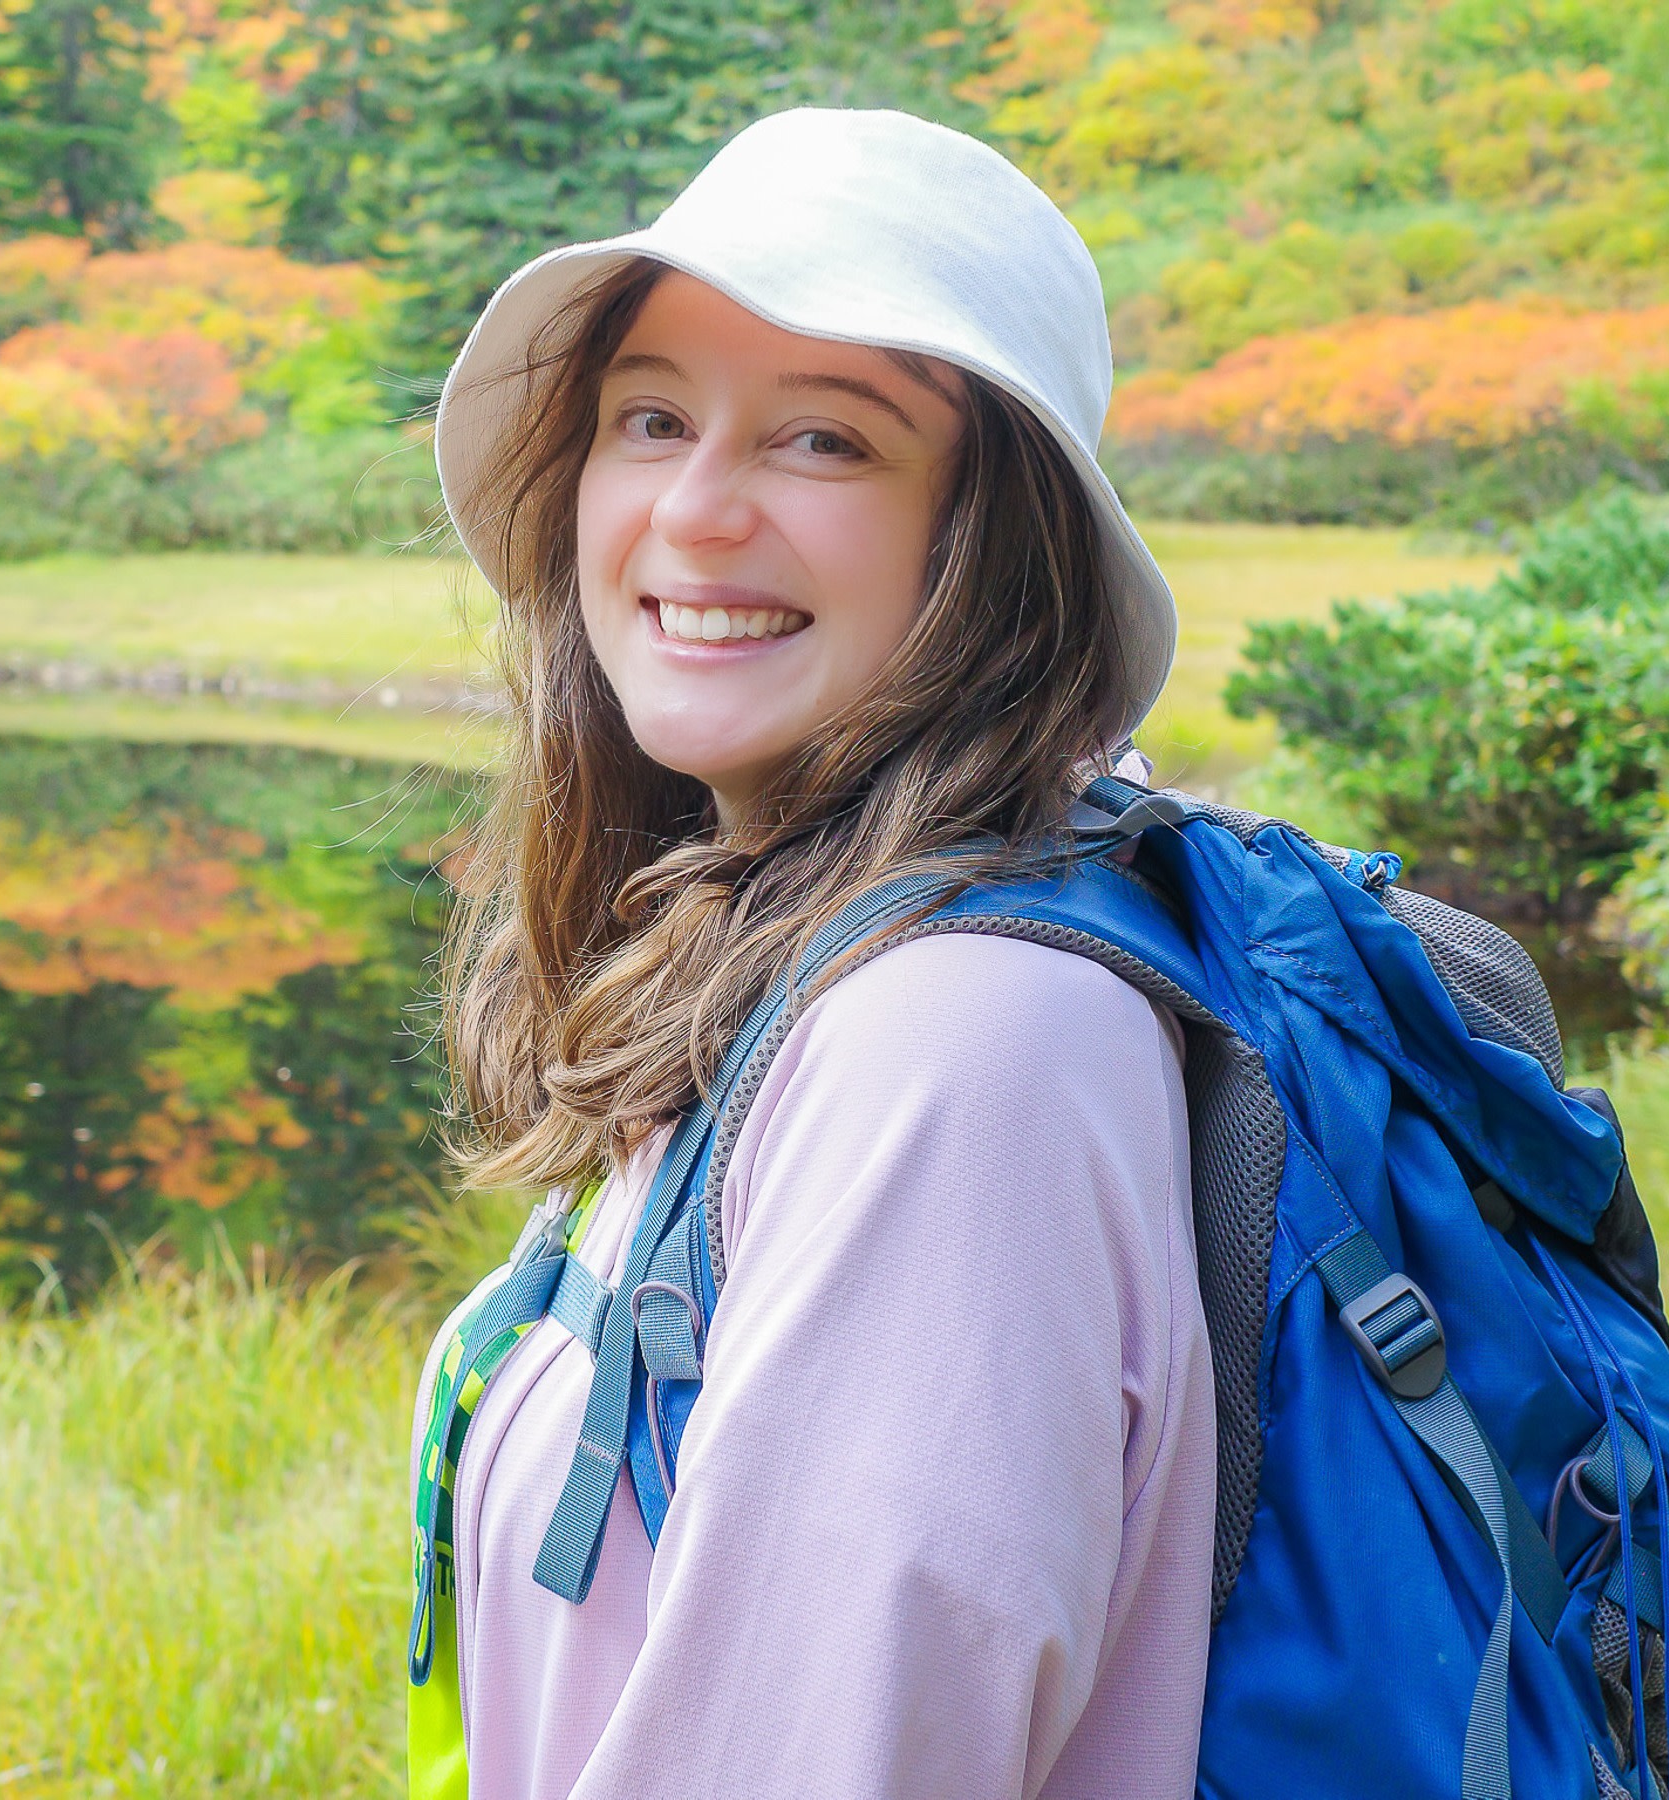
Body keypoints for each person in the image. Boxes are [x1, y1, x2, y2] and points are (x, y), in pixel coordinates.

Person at [411, 107, 1216, 1798]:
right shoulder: (787, 951)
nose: (695, 512)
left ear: (996, 544)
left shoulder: (959, 1044)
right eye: (650, 416)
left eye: (828, 442)